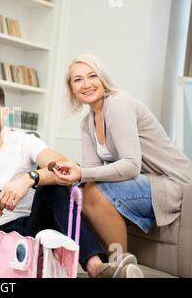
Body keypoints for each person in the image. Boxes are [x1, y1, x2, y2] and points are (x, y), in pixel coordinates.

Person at [0, 81, 144, 278]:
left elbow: (65, 167)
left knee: (53, 187)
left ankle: (96, 267)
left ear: (5, 113)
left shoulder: (24, 142)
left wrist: (29, 178)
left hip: (36, 223)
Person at [51, 54, 192, 256]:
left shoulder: (117, 104)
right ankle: (95, 263)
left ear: (103, 79)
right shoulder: (87, 122)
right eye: (78, 80)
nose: (86, 84)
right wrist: (75, 174)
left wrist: (81, 173)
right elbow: (92, 170)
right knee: (77, 192)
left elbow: (131, 165)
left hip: (172, 183)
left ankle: (120, 265)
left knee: (90, 192)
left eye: (92, 76)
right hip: (143, 181)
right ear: (72, 88)